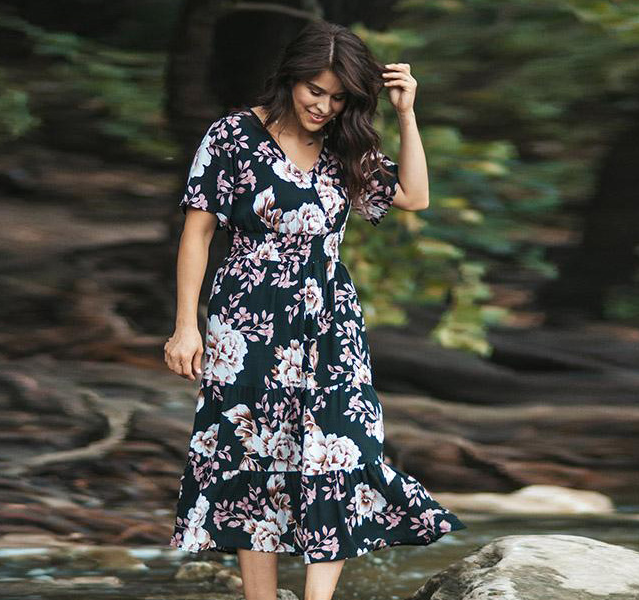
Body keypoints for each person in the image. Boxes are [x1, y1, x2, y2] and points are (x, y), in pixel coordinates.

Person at [164, 19, 467, 600]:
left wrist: (406, 113)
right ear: (290, 79)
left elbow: (415, 196)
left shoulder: (346, 144)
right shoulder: (233, 136)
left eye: (339, 97)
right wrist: (186, 326)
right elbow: (197, 234)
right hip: (246, 322)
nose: (324, 107)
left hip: (330, 325)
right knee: (252, 458)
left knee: (339, 448)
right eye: (315, 91)